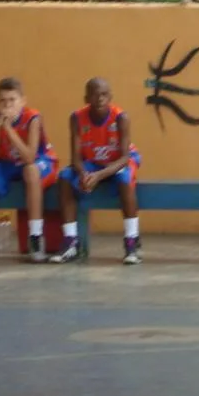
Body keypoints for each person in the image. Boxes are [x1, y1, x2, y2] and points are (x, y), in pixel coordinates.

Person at [52, 77, 143, 265]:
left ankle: (132, 241)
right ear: (86, 98)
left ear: (110, 97)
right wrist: (84, 174)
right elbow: (75, 157)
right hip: (91, 162)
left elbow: (125, 157)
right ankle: (70, 241)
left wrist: (99, 175)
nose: (100, 98)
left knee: (125, 179)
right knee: (65, 178)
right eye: (95, 94)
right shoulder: (76, 118)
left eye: (104, 94)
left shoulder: (120, 118)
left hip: (118, 161)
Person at [0, 78, 59, 265]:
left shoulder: (33, 118)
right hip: (7, 163)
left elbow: (29, 157)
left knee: (31, 171)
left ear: (22, 101)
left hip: (39, 161)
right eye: (3, 101)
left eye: (12, 100)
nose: (7, 105)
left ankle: (36, 237)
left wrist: (9, 130)